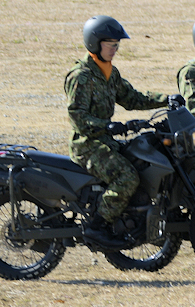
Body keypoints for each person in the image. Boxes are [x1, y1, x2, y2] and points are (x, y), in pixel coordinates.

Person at [66, 15, 169, 245]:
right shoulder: (81, 76)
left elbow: (132, 98)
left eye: (116, 45)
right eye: (110, 45)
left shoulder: (110, 72)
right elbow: (77, 117)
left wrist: (167, 99)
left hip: (106, 141)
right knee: (126, 177)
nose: (114, 50)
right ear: (95, 44)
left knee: (143, 164)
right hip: (87, 145)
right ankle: (96, 227)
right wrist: (108, 126)